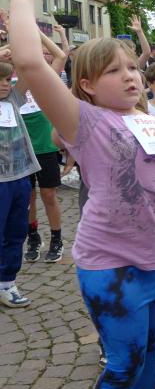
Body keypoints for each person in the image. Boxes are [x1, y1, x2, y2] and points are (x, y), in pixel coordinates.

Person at [1, 0, 155, 389]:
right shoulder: (85, 121)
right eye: (114, 71)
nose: (130, 76)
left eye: (132, 68)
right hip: (111, 266)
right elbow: (31, 63)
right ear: (87, 85)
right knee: (123, 362)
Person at [23, 32, 67, 263]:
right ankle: (33, 236)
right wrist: (14, 41)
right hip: (21, 148)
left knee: (48, 194)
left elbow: (60, 56)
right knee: (28, 196)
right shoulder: (9, 79)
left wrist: (36, 32)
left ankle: (56, 238)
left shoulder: (44, 78)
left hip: (45, 146)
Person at [0, 61, 40, 307]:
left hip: (18, 178)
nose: (4, 84)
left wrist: (15, 54)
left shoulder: (13, 99)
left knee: (15, 233)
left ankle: (7, 284)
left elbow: (30, 69)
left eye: (7, 79)